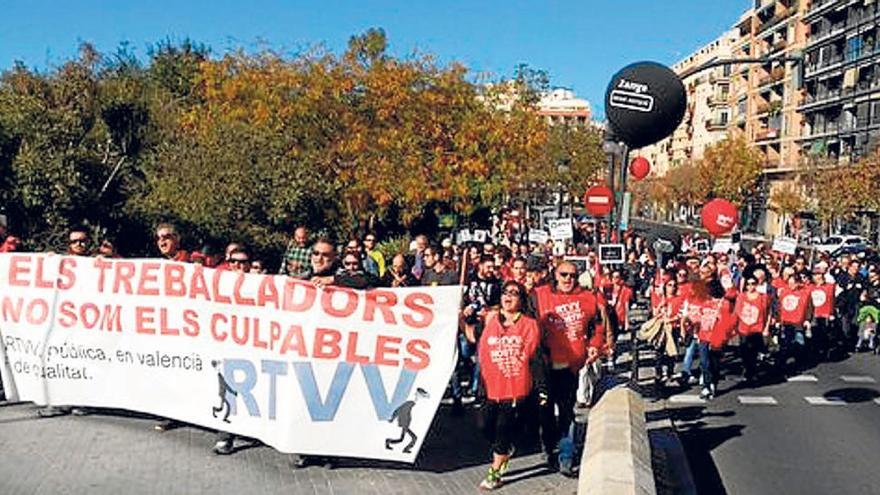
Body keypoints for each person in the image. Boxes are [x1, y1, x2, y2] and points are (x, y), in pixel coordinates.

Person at [532, 261, 611, 472]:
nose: (568, 279)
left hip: (571, 367)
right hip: (545, 367)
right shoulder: (539, 295)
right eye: (564, 274)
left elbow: (598, 326)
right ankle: (550, 448)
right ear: (555, 275)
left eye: (573, 276)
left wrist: (595, 346)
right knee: (545, 412)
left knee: (567, 411)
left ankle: (566, 455)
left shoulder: (587, 298)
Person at [476, 281, 544, 490]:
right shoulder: (489, 320)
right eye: (506, 292)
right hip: (490, 387)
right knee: (484, 426)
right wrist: (460, 319)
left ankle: (495, 473)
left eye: (515, 294)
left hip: (514, 387)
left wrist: (542, 389)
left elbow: (534, 357)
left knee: (502, 430)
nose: (509, 296)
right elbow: (473, 338)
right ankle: (505, 448)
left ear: (521, 300)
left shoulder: (529, 325)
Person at [213, 248, 252, 455]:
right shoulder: (216, 283)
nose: (238, 265)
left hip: (255, 349)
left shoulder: (262, 285)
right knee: (228, 391)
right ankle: (225, 436)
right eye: (234, 261)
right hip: (227, 347)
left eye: (243, 262)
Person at [734, 276, 771, 383]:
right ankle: (747, 370)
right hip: (743, 328)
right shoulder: (741, 296)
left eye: (753, 283)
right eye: (748, 284)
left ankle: (752, 372)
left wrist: (766, 327)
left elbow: (768, 313)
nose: (750, 286)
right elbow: (737, 312)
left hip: (756, 328)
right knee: (744, 350)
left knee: (753, 351)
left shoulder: (763, 297)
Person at [775, 273, 813, 377]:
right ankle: (782, 365)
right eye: (789, 283)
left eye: (793, 283)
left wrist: (808, 320)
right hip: (786, 322)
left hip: (798, 322)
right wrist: (778, 320)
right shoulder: (784, 292)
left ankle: (798, 364)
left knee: (799, 344)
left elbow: (809, 307)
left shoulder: (805, 293)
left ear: (798, 283)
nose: (791, 285)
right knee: (786, 345)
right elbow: (779, 307)